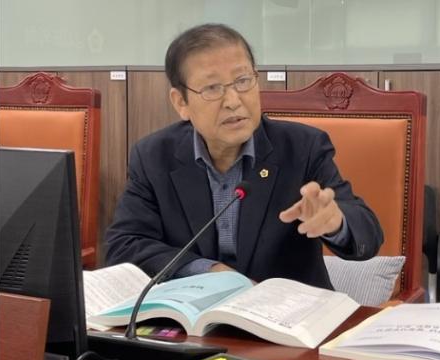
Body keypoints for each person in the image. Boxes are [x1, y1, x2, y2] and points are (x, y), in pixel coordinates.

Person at [105, 23, 383, 289]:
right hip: (195, 317)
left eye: (242, 81)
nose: (233, 101)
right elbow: (124, 245)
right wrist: (208, 271)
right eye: (212, 88)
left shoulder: (303, 147)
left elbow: (368, 235)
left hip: (288, 314)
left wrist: (336, 223)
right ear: (181, 103)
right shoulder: (154, 156)